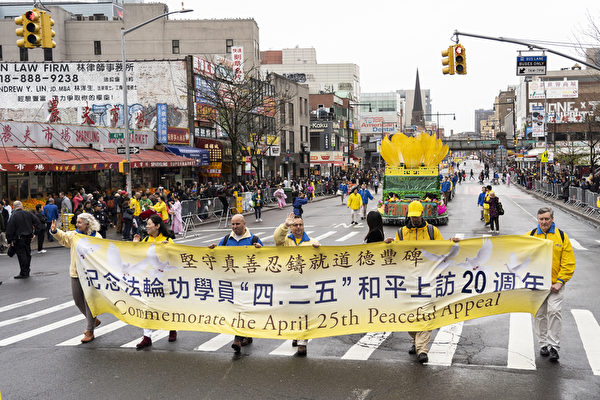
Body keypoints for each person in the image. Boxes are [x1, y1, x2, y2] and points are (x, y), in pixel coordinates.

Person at [383, 201, 457, 364]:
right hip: (408, 280)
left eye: (417, 216)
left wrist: (451, 242)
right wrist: (390, 244)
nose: (415, 219)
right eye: (412, 217)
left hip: (428, 279)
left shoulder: (432, 231)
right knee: (409, 315)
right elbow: (397, 252)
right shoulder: (401, 233)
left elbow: (442, 248)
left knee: (425, 313)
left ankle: (422, 349)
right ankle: (415, 340)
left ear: (422, 214)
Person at [208, 214, 263, 353]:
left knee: (244, 308)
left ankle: (238, 339)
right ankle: (243, 336)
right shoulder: (226, 239)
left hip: (248, 282)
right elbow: (218, 255)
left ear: (244, 224)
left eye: (237, 224)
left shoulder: (254, 239)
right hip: (231, 282)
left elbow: (264, 260)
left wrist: (259, 250)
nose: (234, 227)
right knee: (236, 309)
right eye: (232, 224)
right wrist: (213, 250)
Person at [528, 207, 575, 362]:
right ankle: (543, 344)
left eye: (547, 219)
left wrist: (560, 282)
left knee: (554, 312)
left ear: (552, 219)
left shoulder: (562, 237)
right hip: (537, 285)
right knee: (540, 315)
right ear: (537, 219)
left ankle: (554, 346)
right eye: (541, 219)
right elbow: (512, 250)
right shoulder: (531, 236)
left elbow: (568, 262)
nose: (544, 222)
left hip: (556, 285)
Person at [50, 213, 103, 343]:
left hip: (90, 275)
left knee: (88, 302)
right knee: (78, 300)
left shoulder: (97, 237)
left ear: (87, 224)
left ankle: (90, 331)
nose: (77, 224)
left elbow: (102, 254)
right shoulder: (75, 235)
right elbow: (64, 237)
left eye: (80, 222)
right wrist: (55, 231)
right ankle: (93, 321)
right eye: (77, 222)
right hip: (76, 273)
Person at [274, 213, 320, 356]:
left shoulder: (312, 242)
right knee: (292, 312)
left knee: (304, 312)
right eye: (295, 225)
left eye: (300, 225)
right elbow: (276, 238)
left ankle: (302, 341)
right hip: (289, 283)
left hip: (306, 284)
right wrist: (285, 225)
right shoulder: (285, 241)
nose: (298, 227)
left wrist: (319, 251)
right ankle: (296, 334)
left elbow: (322, 263)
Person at [133, 214, 177, 350]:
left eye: (149, 224)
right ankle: (147, 337)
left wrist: (168, 248)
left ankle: (172, 328)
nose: (147, 226)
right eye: (146, 224)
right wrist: (135, 244)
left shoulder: (168, 240)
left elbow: (176, 258)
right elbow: (135, 256)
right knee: (148, 306)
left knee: (167, 306)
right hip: (149, 279)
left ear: (157, 226)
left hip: (166, 280)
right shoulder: (145, 239)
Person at [6, 201, 38, 279]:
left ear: (13, 207)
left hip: (19, 239)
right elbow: (37, 222)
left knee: (22, 255)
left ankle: (24, 272)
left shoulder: (13, 216)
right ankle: (27, 270)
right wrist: (34, 233)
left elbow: (10, 229)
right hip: (28, 238)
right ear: (22, 206)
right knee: (27, 254)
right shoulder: (28, 213)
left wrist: (9, 241)